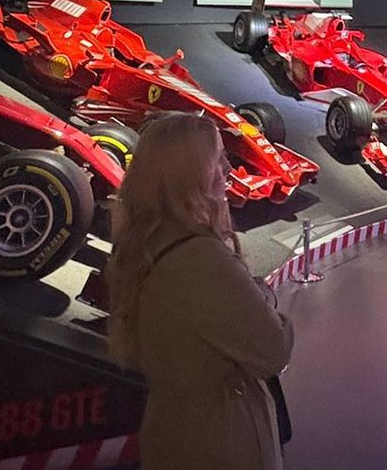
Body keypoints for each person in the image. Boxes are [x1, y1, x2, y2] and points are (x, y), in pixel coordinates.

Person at [107, 113, 292, 470]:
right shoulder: (203, 259)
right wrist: (264, 297)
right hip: (221, 445)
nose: (227, 168)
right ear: (191, 177)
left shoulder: (145, 244)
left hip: (170, 433)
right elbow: (273, 351)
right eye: (217, 159)